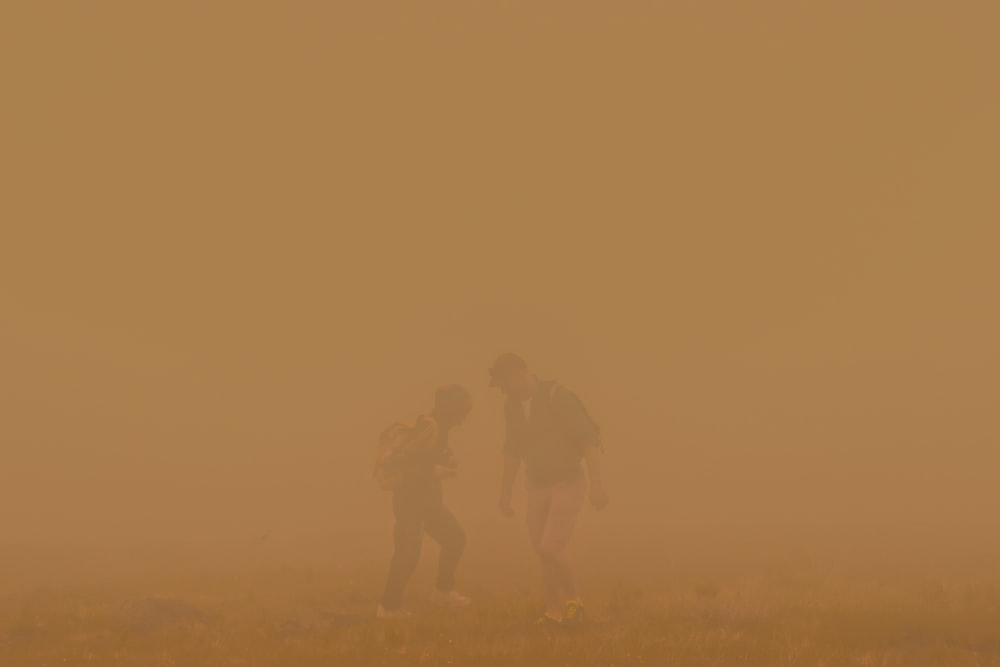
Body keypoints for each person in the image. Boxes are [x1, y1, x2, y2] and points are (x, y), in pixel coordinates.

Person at [491, 353, 609, 629]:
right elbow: (513, 448)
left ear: (521, 373)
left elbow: (589, 439)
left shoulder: (559, 396)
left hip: (568, 481)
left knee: (550, 548)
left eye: (504, 383)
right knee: (541, 552)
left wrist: (596, 484)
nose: (502, 390)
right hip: (536, 485)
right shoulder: (512, 406)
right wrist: (505, 491)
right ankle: (553, 612)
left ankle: (575, 603)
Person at [375, 384, 474, 619]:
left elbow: (424, 457)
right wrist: (434, 470)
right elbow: (401, 462)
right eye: (462, 411)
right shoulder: (429, 427)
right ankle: (388, 608)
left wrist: (445, 462)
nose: (464, 418)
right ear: (450, 409)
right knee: (407, 554)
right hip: (411, 501)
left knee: (455, 538)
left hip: (428, 501)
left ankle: (443, 591)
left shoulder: (440, 428)